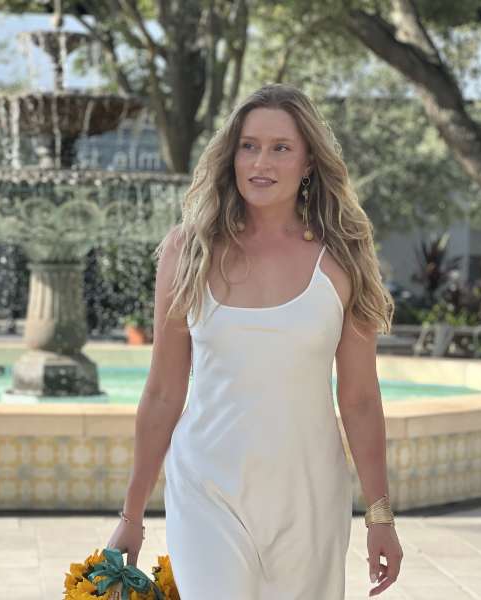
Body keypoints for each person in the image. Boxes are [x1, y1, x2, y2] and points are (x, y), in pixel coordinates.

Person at [106, 83, 404, 598]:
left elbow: (359, 399)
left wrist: (380, 515)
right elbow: (162, 392)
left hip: (309, 498)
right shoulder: (189, 250)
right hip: (207, 488)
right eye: (249, 146)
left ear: (308, 162)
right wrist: (131, 516)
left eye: (280, 148)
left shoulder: (343, 257)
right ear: (232, 154)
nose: (260, 162)